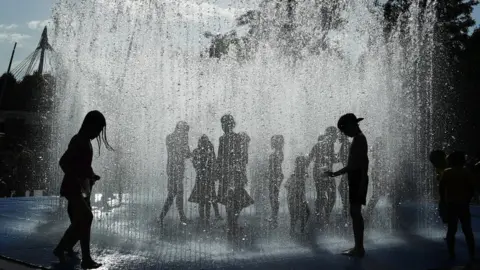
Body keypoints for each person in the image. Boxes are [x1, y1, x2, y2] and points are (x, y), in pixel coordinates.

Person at [53, 110, 113, 269]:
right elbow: (64, 162)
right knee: (86, 218)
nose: (99, 133)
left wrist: (91, 175)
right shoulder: (78, 140)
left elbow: (83, 165)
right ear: (90, 125)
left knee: (81, 222)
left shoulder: (85, 141)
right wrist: (77, 178)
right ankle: (63, 249)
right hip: (73, 188)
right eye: (98, 129)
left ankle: (77, 253)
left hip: (82, 188)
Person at [325, 113, 368, 257]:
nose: (344, 134)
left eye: (344, 130)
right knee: (355, 213)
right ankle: (358, 246)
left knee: (355, 214)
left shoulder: (359, 140)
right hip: (357, 179)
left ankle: (359, 248)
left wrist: (333, 174)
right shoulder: (358, 139)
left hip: (358, 180)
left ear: (351, 126)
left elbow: (354, 165)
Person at [216, 115, 253, 238]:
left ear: (230, 125)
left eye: (225, 124)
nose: (223, 126)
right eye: (222, 124)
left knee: (233, 200)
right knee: (233, 200)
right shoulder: (226, 139)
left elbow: (241, 157)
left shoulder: (235, 138)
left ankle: (231, 224)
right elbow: (221, 157)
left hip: (231, 174)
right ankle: (232, 225)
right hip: (231, 173)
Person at [441, 151, 475, 261]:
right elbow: (471, 188)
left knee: (451, 230)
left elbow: (441, 188)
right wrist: (468, 199)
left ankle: (451, 254)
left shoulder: (447, 172)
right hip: (463, 204)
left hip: (451, 205)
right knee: (467, 230)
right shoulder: (466, 172)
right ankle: (472, 254)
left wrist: (442, 201)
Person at [159, 121, 192, 225]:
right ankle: (178, 217)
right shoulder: (181, 139)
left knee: (173, 193)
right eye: (185, 131)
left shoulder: (169, 137)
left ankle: (163, 217)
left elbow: (179, 153)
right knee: (176, 193)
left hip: (172, 168)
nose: (186, 133)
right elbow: (186, 154)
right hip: (177, 169)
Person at [188, 135, 220, 227]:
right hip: (202, 178)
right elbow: (195, 163)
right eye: (203, 141)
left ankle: (206, 218)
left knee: (208, 199)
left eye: (206, 141)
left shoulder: (209, 152)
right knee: (204, 199)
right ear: (200, 142)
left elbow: (213, 163)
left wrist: (213, 173)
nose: (204, 143)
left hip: (207, 178)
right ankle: (204, 218)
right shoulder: (198, 151)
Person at [308, 127, 338, 222]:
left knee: (328, 196)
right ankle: (322, 216)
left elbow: (332, 159)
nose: (337, 137)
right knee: (324, 196)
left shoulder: (330, 145)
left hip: (325, 173)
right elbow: (310, 158)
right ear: (330, 135)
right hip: (321, 173)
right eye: (335, 135)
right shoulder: (319, 145)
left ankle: (323, 216)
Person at [285, 156, 310, 235]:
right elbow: (287, 185)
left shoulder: (301, 171)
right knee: (295, 216)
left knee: (304, 214)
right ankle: (296, 232)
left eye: (303, 162)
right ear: (297, 163)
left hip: (297, 197)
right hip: (294, 197)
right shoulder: (297, 172)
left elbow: (287, 185)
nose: (302, 164)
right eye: (301, 162)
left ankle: (299, 231)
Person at [365, 138, 386, 222]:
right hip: (378, 174)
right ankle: (368, 213)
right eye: (382, 144)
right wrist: (381, 178)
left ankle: (368, 212)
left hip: (377, 173)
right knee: (376, 194)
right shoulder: (378, 153)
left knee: (377, 194)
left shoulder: (376, 152)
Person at [267, 135, 284, 228]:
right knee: (273, 196)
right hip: (274, 176)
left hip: (275, 176)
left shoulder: (278, 152)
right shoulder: (277, 152)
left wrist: (276, 178)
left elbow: (276, 166)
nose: (272, 143)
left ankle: (274, 218)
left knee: (274, 197)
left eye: (273, 141)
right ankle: (273, 216)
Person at [429, 150, 448, 224]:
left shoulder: (449, 168)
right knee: (445, 217)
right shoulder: (439, 168)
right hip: (445, 197)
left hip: (451, 197)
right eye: (432, 162)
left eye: (434, 162)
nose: (433, 164)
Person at [338, 134, 351, 222]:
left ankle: (347, 210)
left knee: (342, 189)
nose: (338, 137)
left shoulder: (346, 145)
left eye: (340, 136)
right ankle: (347, 209)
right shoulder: (345, 144)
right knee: (343, 189)